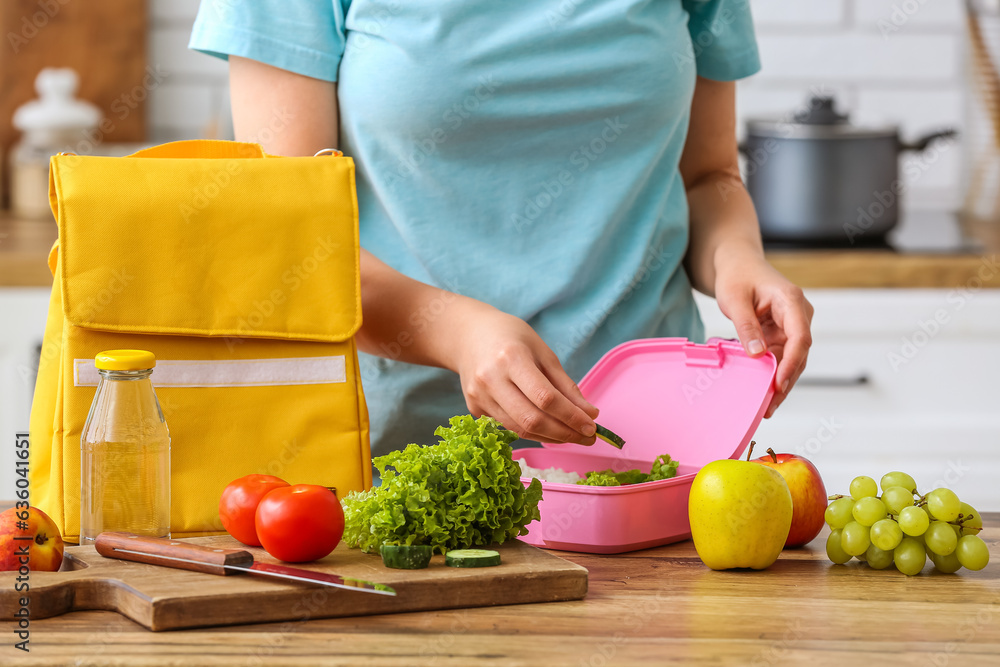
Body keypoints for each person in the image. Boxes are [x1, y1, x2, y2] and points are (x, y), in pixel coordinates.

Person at [189, 0, 813, 456]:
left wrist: (739, 261)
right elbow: (293, 238)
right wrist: (457, 333)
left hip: (651, 457)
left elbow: (708, 177)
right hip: (399, 471)